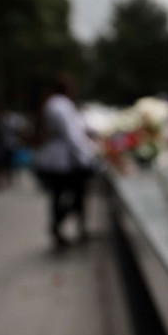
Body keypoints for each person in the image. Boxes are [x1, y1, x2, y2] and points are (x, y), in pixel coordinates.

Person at [34, 75, 98, 248]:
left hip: (61, 159)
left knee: (61, 196)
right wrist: (87, 156)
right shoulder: (60, 105)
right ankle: (60, 227)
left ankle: (64, 228)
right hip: (64, 161)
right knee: (73, 194)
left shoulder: (53, 104)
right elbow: (72, 135)